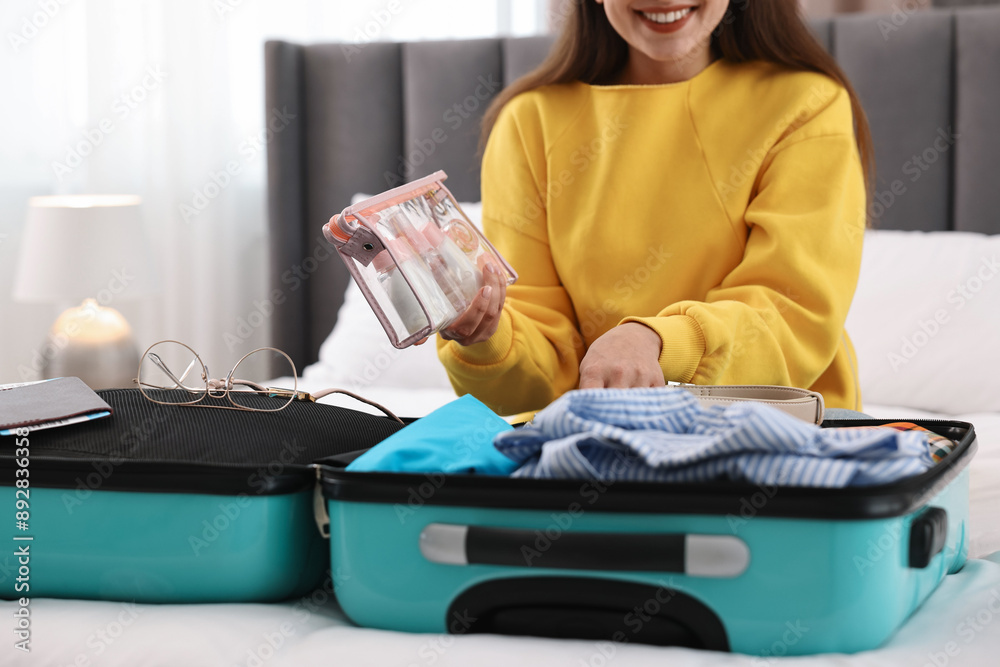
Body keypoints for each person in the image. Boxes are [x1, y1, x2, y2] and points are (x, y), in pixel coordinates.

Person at [436, 0, 873, 418]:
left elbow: (793, 311)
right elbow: (533, 381)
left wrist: (658, 341)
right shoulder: (528, 122)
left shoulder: (806, 104)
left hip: (781, 435)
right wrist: (487, 335)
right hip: (602, 444)